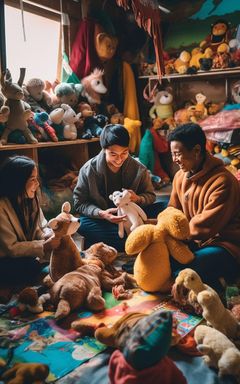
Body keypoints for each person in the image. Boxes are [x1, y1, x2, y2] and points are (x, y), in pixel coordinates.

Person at [168, 123, 240, 289]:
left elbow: (204, 228)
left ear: (196, 151)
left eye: (178, 154)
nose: (174, 159)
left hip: (224, 244)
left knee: (185, 273)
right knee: (157, 256)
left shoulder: (223, 181)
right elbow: (172, 211)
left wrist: (177, 238)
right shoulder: (180, 176)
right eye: (172, 154)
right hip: (192, 239)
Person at [73, 124, 167, 251]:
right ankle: (142, 238)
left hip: (133, 215)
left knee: (166, 206)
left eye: (124, 153)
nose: (119, 159)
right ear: (103, 149)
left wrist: (138, 198)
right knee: (82, 224)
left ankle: (135, 238)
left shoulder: (139, 169)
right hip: (104, 221)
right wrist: (101, 213)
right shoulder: (88, 170)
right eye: (113, 154)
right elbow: (80, 203)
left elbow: (150, 196)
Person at [0, 155, 59, 285]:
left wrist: (47, 234)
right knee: (29, 267)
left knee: (65, 252)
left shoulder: (31, 199)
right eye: (32, 179)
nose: (37, 184)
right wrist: (44, 245)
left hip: (28, 254)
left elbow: (40, 226)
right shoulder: (2, 207)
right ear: (18, 182)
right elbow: (12, 248)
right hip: (6, 259)